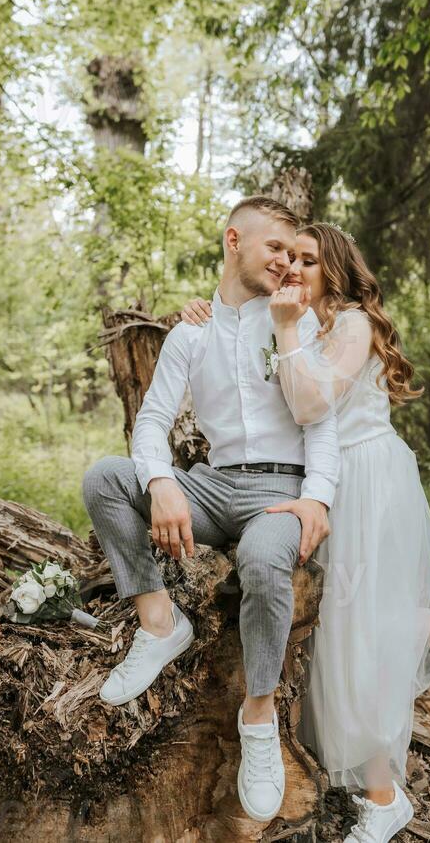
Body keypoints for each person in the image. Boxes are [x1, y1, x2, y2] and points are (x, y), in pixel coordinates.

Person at [181, 221, 430, 843]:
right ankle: (383, 795)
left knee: (364, 630)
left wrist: (282, 330)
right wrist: (200, 312)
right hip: (321, 487)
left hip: (368, 479)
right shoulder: (298, 320)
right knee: (340, 633)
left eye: (308, 260)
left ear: (334, 267)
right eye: (289, 258)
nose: (293, 269)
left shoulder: (353, 323)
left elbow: (311, 407)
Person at [81, 196, 340, 824]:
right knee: (106, 479)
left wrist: (318, 497)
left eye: (290, 251)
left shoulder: (298, 321)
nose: (284, 261)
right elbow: (150, 425)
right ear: (234, 241)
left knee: (259, 561)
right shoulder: (190, 332)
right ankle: (160, 622)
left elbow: (322, 425)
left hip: (280, 493)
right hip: (211, 485)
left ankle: (258, 714)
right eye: (274, 247)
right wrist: (164, 483)